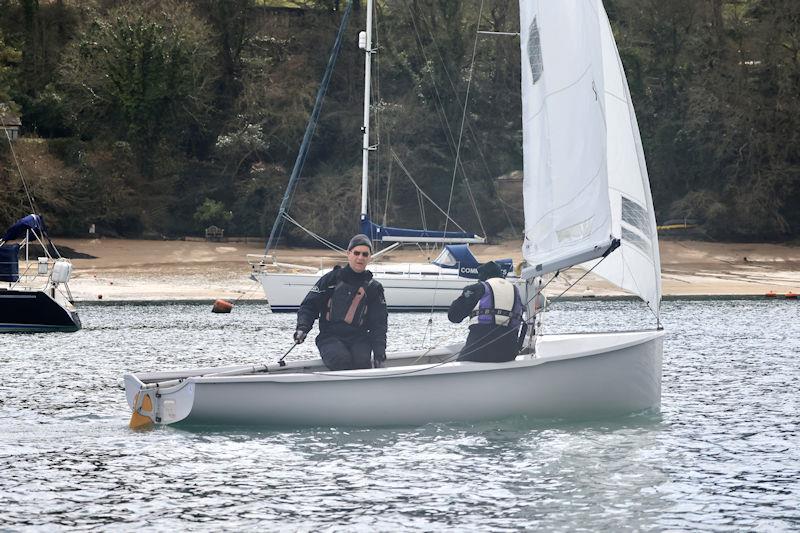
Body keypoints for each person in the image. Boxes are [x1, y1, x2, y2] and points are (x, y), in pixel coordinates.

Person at [293, 234, 388, 370]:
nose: (360, 257)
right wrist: (302, 328)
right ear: (348, 254)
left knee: (361, 362)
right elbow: (309, 306)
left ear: (369, 258)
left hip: (359, 338)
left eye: (365, 254)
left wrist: (380, 354)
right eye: (356, 253)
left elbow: (379, 324)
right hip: (329, 337)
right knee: (341, 359)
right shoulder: (330, 280)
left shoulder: (374, 288)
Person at [447, 261, 526, 362]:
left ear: (485, 276)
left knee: (461, 362)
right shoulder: (515, 290)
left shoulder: (479, 288)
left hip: (480, 349)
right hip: (509, 351)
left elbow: (454, 317)